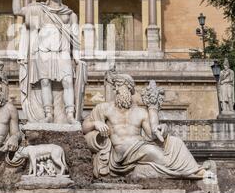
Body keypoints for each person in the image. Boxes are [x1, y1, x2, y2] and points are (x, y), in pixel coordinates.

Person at [82, 71, 211, 179]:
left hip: (141, 146)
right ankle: (194, 172)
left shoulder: (140, 112)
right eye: (115, 86)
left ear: (128, 88)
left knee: (176, 142)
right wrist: (95, 124)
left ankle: (192, 170)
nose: (115, 89)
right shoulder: (104, 108)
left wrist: (163, 129)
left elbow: (153, 135)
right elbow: (84, 127)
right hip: (122, 152)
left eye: (118, 85)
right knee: (154, 153)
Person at [12, 0, 84, 124]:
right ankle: (48, 114)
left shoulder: (70, 13)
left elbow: (75, 38)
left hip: (62, 49)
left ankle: (70, 115)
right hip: (43, 50)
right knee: (45, 82)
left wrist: (77, 57)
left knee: (67, 81)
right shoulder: (39, 9)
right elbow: (17, 10)